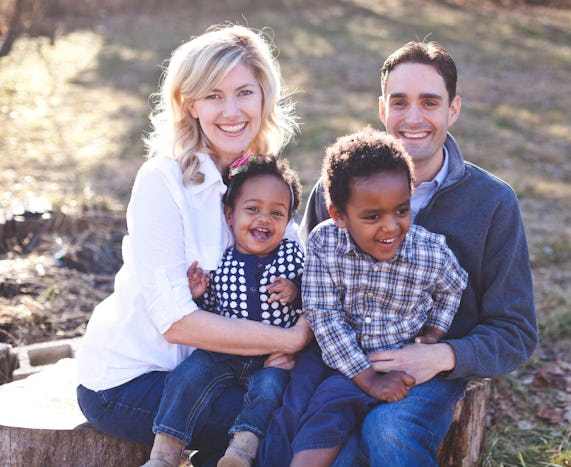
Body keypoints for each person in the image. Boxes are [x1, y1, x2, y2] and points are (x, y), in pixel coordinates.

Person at [272, 40, 538, 466]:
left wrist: (442, 355)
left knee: (389, 430)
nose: (413, 118)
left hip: (425, 369)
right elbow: (312, 292)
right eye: (400, 102)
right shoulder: (336, 190)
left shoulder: (492, 203)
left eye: (429, 102)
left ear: (453, 110)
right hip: (340, 361)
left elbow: (516, 331)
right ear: (382, 109)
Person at [75, 24, 312, 467]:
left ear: (264, 97)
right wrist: (289, 339)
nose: (232, 110)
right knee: (283, 427)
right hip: (135, 379)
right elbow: (177, 324)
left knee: (309, 408)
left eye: (244, 92)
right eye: (213, 95)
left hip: (224, 372)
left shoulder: (264, 183)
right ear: (190, 103)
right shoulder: (162, 181)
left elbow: (296, 271)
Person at [281, 127, 469, 467]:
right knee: (319, 413)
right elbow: (323, 315)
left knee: (388, 429)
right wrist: (366, 377)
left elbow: (453, 285)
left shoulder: (429, 252)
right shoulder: (326, 244)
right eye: (372, 216)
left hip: (401, 366)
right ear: (338, 215)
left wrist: (436, 331)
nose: (390, 227)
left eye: (401, 210)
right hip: (347, 365)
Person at [145, 155, 305, 467]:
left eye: (277, 213)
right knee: (187, 376)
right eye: (253, 209)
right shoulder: (222, 260)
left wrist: (295, 290)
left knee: (270, 390)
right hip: (224, 350)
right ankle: (165, 450)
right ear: (230, 214)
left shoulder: (292, 256)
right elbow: (211, 311)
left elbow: (316, 295)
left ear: (287, 222)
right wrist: (198, 294)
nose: (264, 219)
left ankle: (241, 450)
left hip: (271, 357)